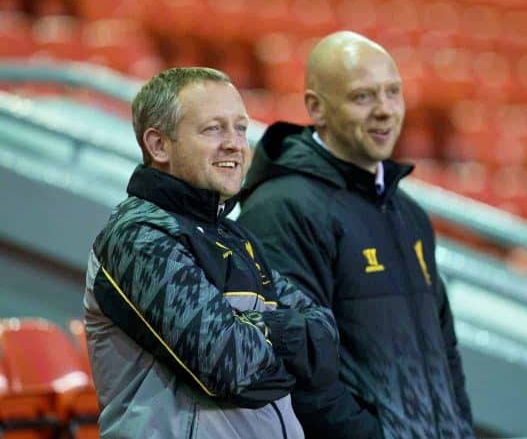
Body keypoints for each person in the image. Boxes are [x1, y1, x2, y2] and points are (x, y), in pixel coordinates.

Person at [237, 31, 475, 439]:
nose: (385, 111)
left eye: (392, 93)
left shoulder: (410, 215)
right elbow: (297, 369)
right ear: (317, 107)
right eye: (363, 97)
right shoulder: (281, 210)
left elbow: (445, 352)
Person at [84, 67, 339, 439]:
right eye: (213, 129)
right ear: (159, 145)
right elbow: (229, 366)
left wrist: (256, 334)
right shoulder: (138, 236)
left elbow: (326, 337)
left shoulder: (237, 237)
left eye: (240, 128)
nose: (235, 144)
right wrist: (289, 343)